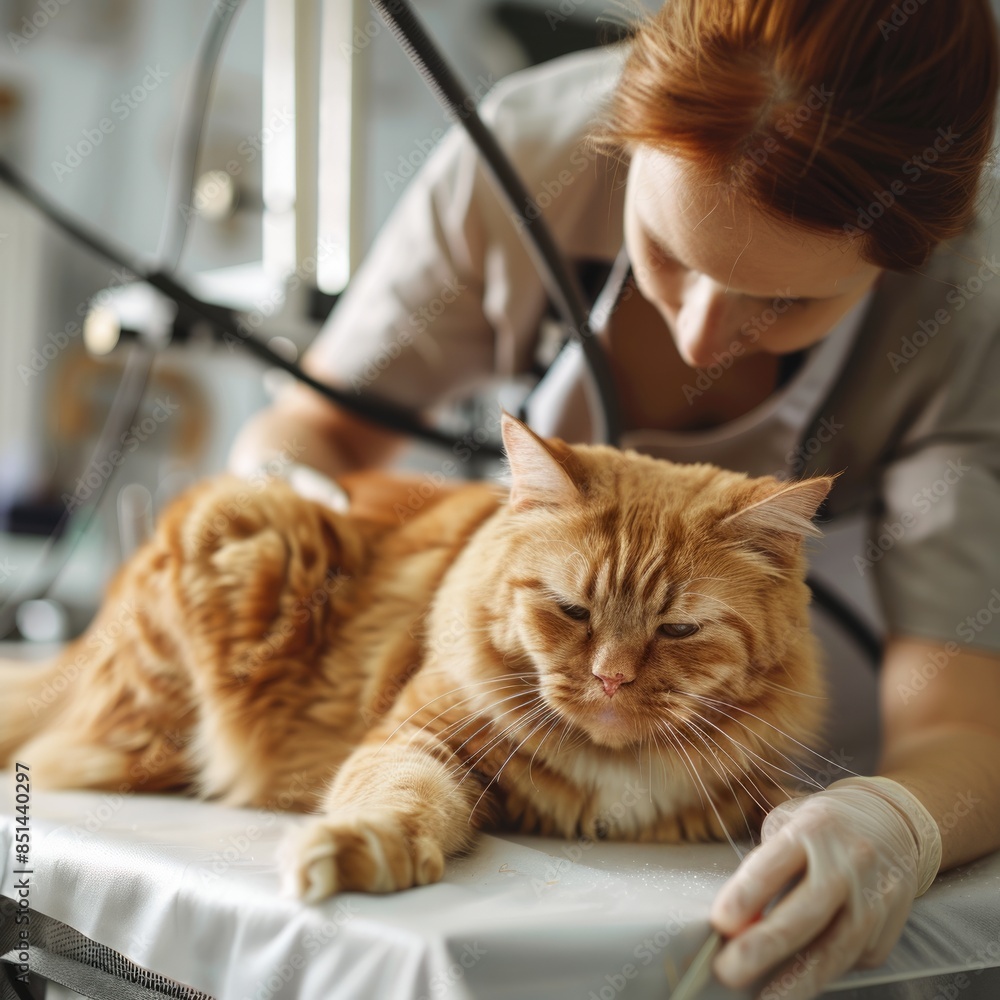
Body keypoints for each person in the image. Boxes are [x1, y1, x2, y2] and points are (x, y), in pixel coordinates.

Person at [229, 1, 1000, 996]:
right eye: (668, 255)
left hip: (755, 804)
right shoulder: (526, 155)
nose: (698, 337)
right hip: (504, 750)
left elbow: (963, 725)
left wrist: (894, 820)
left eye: (782, 304)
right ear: (627, 136)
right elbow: (307, 436)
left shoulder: (963, 315)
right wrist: (318, 525)